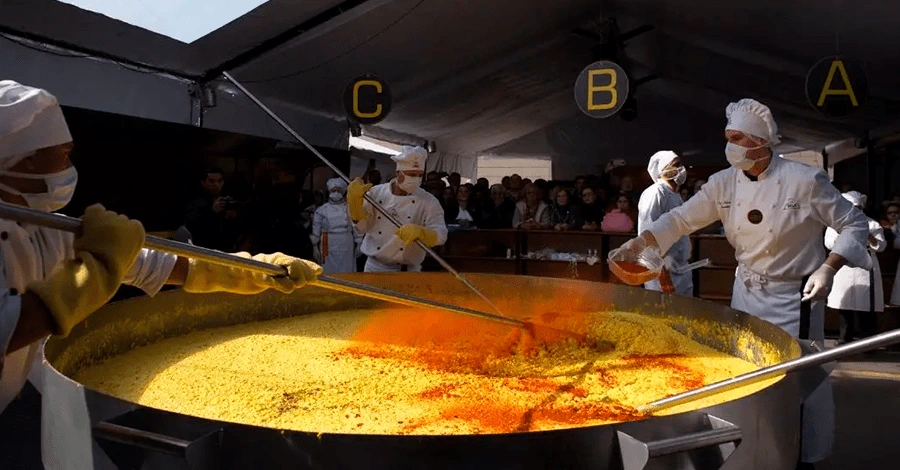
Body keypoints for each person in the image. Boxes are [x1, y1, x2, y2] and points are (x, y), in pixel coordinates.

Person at [0, 81, 322, 466]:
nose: (70, 166)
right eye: (64, 155)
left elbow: (165, 264)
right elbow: (10, 327)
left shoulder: (47, 228)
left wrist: (255, 270)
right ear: (26, 160)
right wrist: (101, 265)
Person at [614, 98, 871, 469]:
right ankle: (754, 448)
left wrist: (829, 267)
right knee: (748, 372)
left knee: (798, 381)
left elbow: (855, 225)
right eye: (727, 137)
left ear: (762, 142)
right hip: (747, 289)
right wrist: (640, 243)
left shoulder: (804, 180)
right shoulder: (722, 184)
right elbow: (680, 220)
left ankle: (802, 455)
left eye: (739, 138)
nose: (730, 145)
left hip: (795, 294)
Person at [347, 146, 447, 272]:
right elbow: (361, 229)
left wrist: (423, 233)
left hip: (408, 270)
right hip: (375, 267)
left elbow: (441, 234)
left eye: (420, 175)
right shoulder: (375, 193)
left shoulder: (428, 201)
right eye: (411, 175)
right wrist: (354, 204)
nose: (416, 179)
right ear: (398, 173)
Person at [825, 191, 885, 344]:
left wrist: (870, 236)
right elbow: (829, 243)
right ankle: (844, 339)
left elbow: (881, 246)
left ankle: (868, 342)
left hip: (865, 266)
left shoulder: (872, 224)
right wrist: (842, 237)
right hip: (843, 265)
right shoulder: (835, 223)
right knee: (844, 305)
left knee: (866, 308)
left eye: (857, 207)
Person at [637, 151, 693, 296]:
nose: (681, 169)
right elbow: (647, 230)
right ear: (663, 169)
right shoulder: (655, 193)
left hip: (680, 267)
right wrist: (660, 264)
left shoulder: (675, 195)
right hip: (663, 269)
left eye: (681, 164)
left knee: (685, 314)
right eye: (676, 165)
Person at [311, 178, 360, 274]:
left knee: (347, 269)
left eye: (338, 190)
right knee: (328, 270)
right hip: (328, 242)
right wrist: (315, 247)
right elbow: (316, 229)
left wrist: (359, 243)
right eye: (334, 190)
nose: (336, 193)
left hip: (346, 242)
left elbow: (356, 227)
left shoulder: (349, 209)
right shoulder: (322, 210)